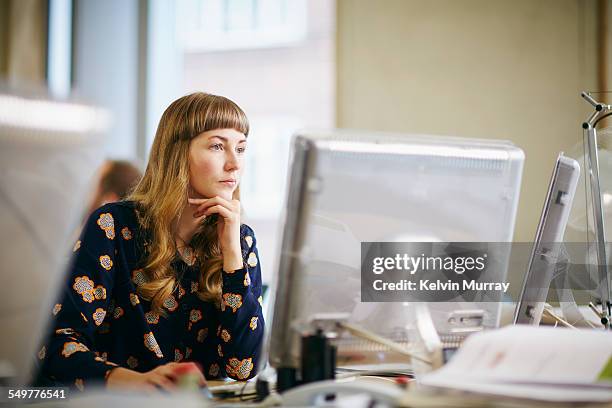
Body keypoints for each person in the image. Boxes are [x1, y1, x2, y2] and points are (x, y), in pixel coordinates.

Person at [35, 92, 264, 391]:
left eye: (242, 148)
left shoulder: (240, 240)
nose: (234, 164)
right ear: (178, 154)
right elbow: (58, 347)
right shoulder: (113, 226)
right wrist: (137, 383)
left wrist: (232, 252)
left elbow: (242, 367)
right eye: (218, 146)